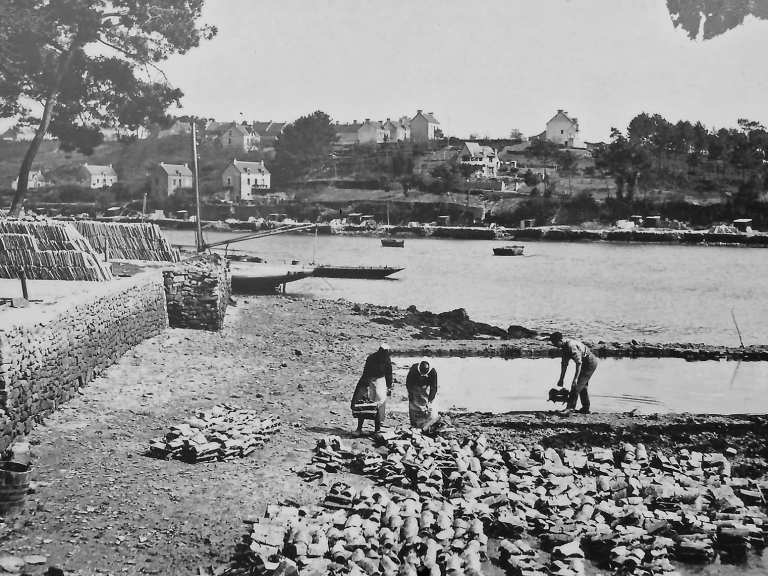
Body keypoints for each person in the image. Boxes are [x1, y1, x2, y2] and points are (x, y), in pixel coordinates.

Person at [350, 343, 393, 436]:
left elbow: (389, 374)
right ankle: (359, 429)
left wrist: (389, 386)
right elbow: (366, 373)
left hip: (381, 382)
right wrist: (366, 387)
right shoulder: (371, 358)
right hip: (368, 380)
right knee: (363, 404)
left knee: (380, 405)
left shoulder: (387, 360)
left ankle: (377, 429)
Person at [549, 331, 598, 414]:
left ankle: (570, 408)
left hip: (590, 362)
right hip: (584, 362)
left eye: (555, 343)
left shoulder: (571, 346)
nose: (555, 345)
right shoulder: (564, 348)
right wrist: (561, 379)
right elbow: (564, 364)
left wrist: (575, 379)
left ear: (560, 340)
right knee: (582, 386)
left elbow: (579, 363)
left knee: (576, 386)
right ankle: (585, 408)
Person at [406, 357, 439, 430]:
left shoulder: (433, 372)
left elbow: (434, 387)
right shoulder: (414, 369)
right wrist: (411, 394)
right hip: (416, 387)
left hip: (426, 388)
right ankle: (414, 425)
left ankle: (427, 425)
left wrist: (430, 400)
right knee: (413, 407)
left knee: (430, 409)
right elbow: (408, 383)